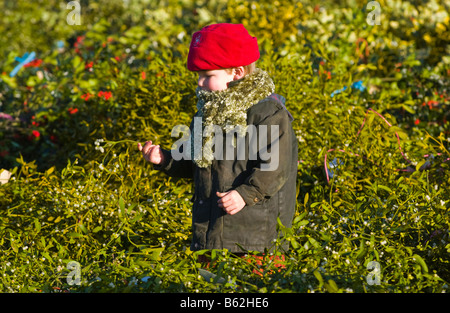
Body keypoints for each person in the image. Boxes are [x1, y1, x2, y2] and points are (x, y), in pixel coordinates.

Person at [138, 23, 298, 265]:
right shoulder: (207, 113)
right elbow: (196, 162)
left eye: (208, 76)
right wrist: (165, 159)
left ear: (237, 72)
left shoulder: (267, 112)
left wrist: (246, 194)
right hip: (211, 229)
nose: (200, 83)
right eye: (199, 76)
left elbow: (276, 167)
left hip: (256, 238)